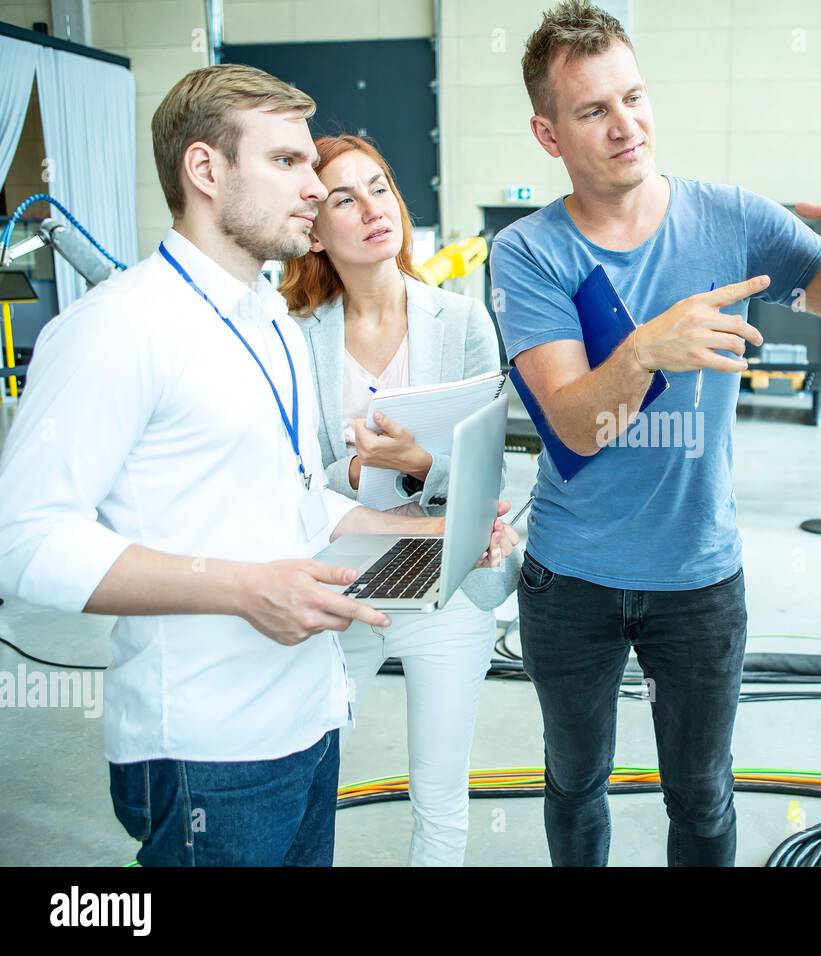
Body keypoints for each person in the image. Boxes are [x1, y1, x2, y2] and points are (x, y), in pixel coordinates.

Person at [0, 64, 515, 866]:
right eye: (288, 163)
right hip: (209, 744)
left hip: (307, 719)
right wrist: (243, 589)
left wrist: (427, 530)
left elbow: (298, 495)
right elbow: (22, 539)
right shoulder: (119, 327)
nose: (314, 189)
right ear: (206, 169)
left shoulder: (270, 322)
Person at [489, 0, 821, 867]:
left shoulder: (734, 220)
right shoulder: (529, 253)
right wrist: (650, 346)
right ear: (548, 133)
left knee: (703, 794)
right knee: (575, 783)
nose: (626, 126)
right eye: (593, 111)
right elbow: (573, 422)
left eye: (634, 97)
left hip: (698, 578)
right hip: (571, 579)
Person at [281, 133, 522, 866]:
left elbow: (494, 478)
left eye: (379, 187)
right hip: (340, 577)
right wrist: (353, 474)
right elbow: (284, 477)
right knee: (299, 773)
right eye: (342, 198)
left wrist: (421, 465)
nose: (371, 209)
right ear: (315, 233)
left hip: (446, 580)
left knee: (440, 799)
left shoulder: (464, 323)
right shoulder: (294, 338)